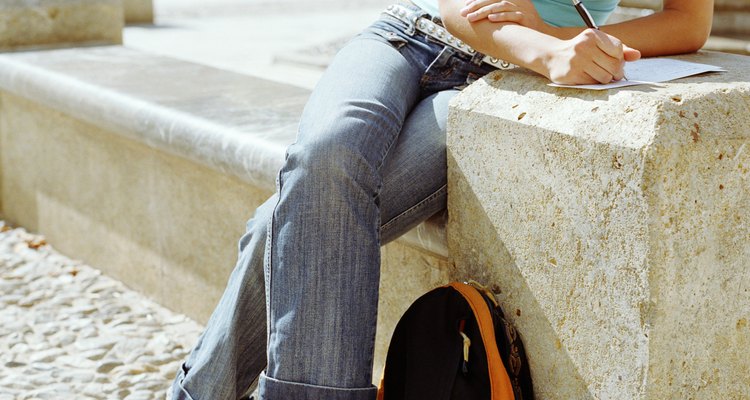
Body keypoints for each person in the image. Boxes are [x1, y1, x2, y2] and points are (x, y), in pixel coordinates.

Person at [170, 0, 713, 399]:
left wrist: (552, 38)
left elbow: (690, 22)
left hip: (496, 85)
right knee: (324, 156)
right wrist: (546, 47)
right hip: (408, 34)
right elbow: (457, 7)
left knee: (286, 217)